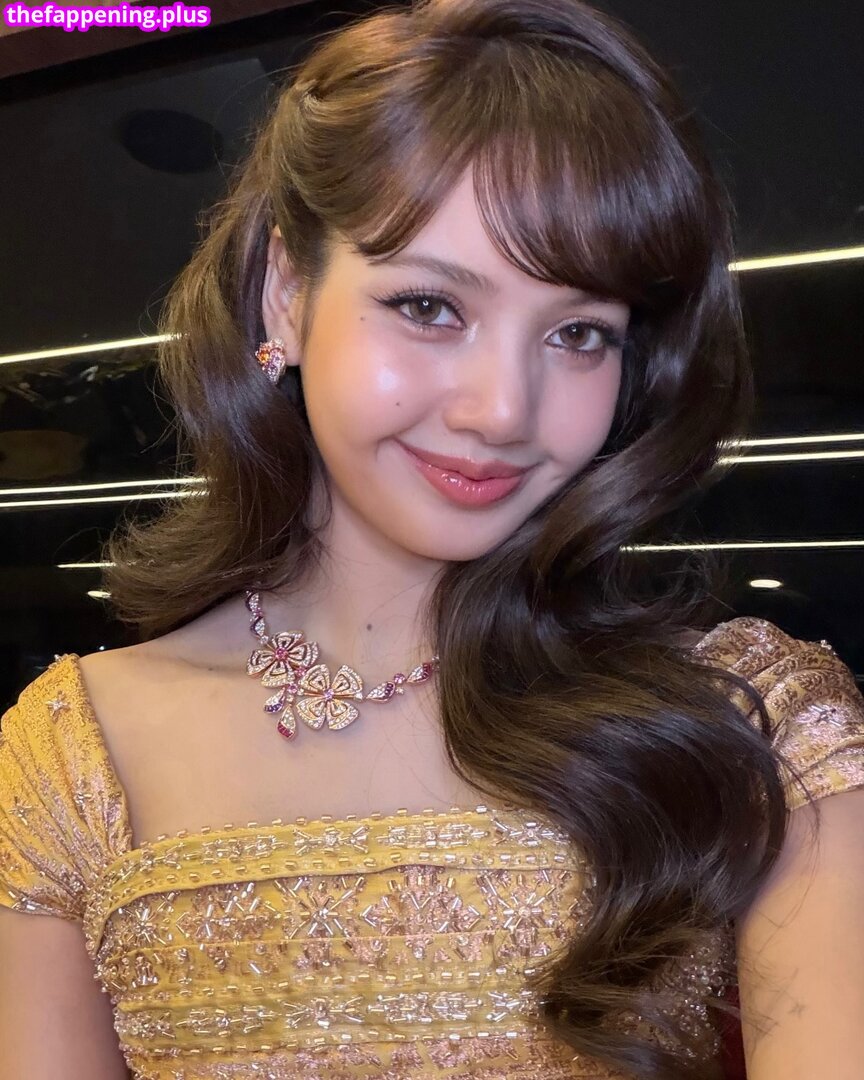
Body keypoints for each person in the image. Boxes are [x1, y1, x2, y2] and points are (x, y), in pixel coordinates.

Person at [1, 0, 863, 1077]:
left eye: (579, 332)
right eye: (430, 308)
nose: (502, 410)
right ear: (287, 292)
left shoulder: (761, 727)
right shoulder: (74, 756)